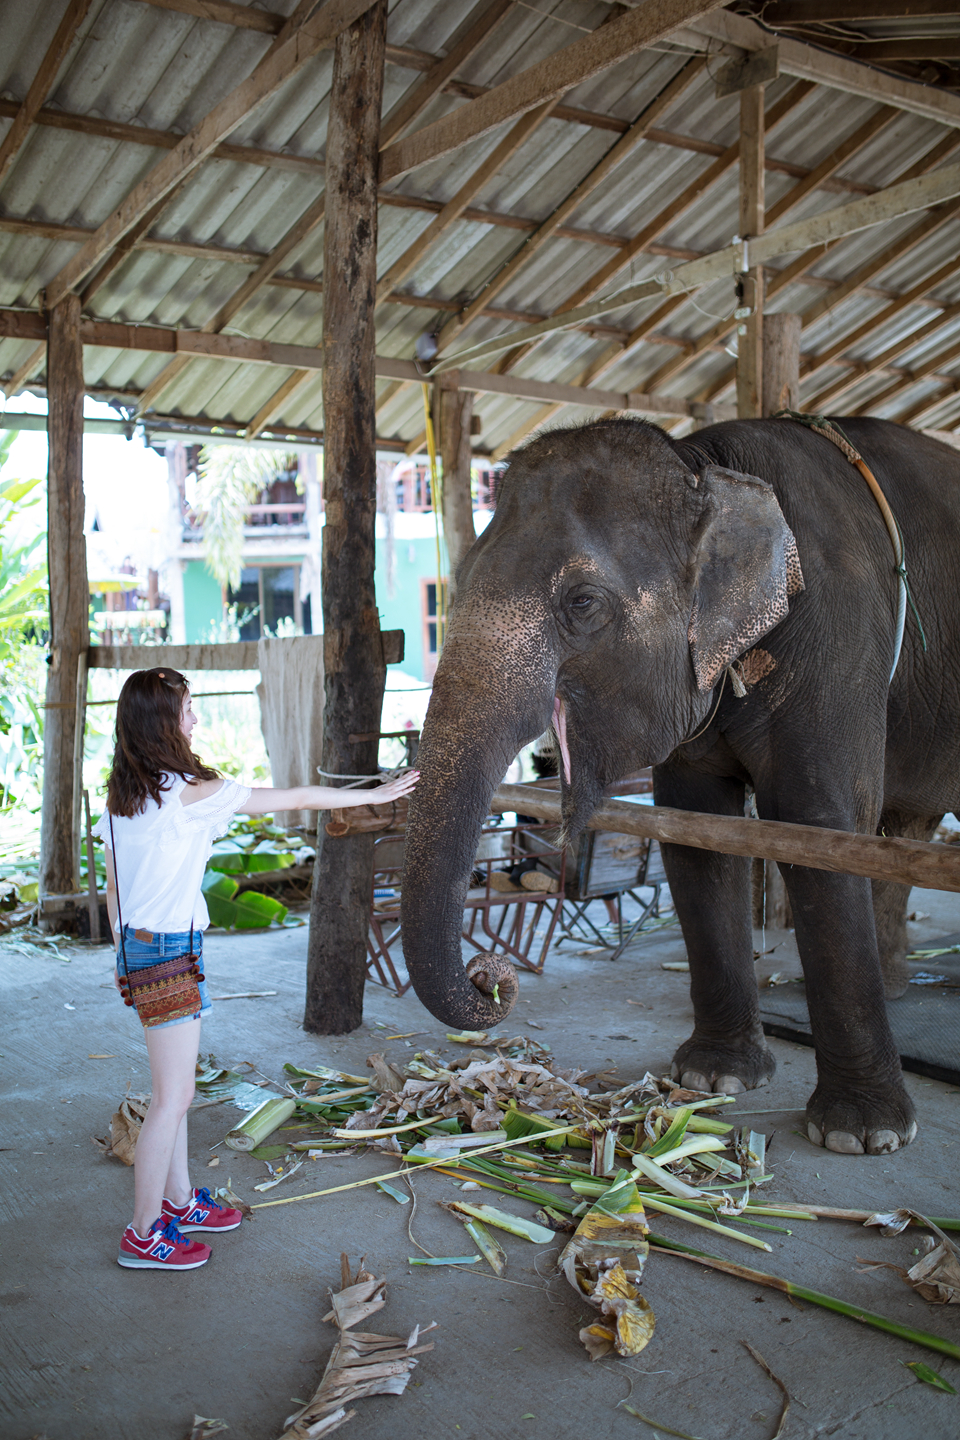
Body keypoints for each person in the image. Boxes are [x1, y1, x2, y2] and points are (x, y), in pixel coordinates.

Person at [94, 667, 418, 1272]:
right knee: (173, 1098)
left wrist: (122, 958)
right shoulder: (188, 793)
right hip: (165, 953)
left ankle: (182, 1201)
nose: (194, 719)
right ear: (163, 721)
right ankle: (142, 1233)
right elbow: (293, 797)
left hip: (146, 950)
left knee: (176, 1091)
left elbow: (115, 890)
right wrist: (373, 795)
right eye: (187, 709)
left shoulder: (124, 796)